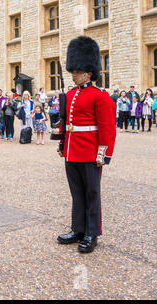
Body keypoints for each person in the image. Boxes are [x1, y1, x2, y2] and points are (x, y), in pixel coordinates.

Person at [57, 36, 117, 254]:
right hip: (72, 151)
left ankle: (92, 232)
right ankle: (78, 229)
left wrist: (104, 153)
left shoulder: (100, 96)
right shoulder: (71, 94)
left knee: (92, 193)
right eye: (73, 71)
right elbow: (68, 124)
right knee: (76, 193)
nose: (74, 75)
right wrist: (63, 143)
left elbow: (107, 128)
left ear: (89, 72)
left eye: (77, 71)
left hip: (90, 152)